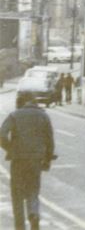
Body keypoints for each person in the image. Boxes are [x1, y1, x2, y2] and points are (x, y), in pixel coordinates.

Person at [1, 95, 55, 230]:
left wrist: (10, 149)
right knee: (33, 190)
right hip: (36, 161)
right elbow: (50, 140)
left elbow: (1, 134)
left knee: (17, 194)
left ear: (20, 103)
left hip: (18, 160)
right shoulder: (43, 116)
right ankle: (34, 214)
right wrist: (47, 160)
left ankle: (20, 226)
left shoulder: (14, 115)